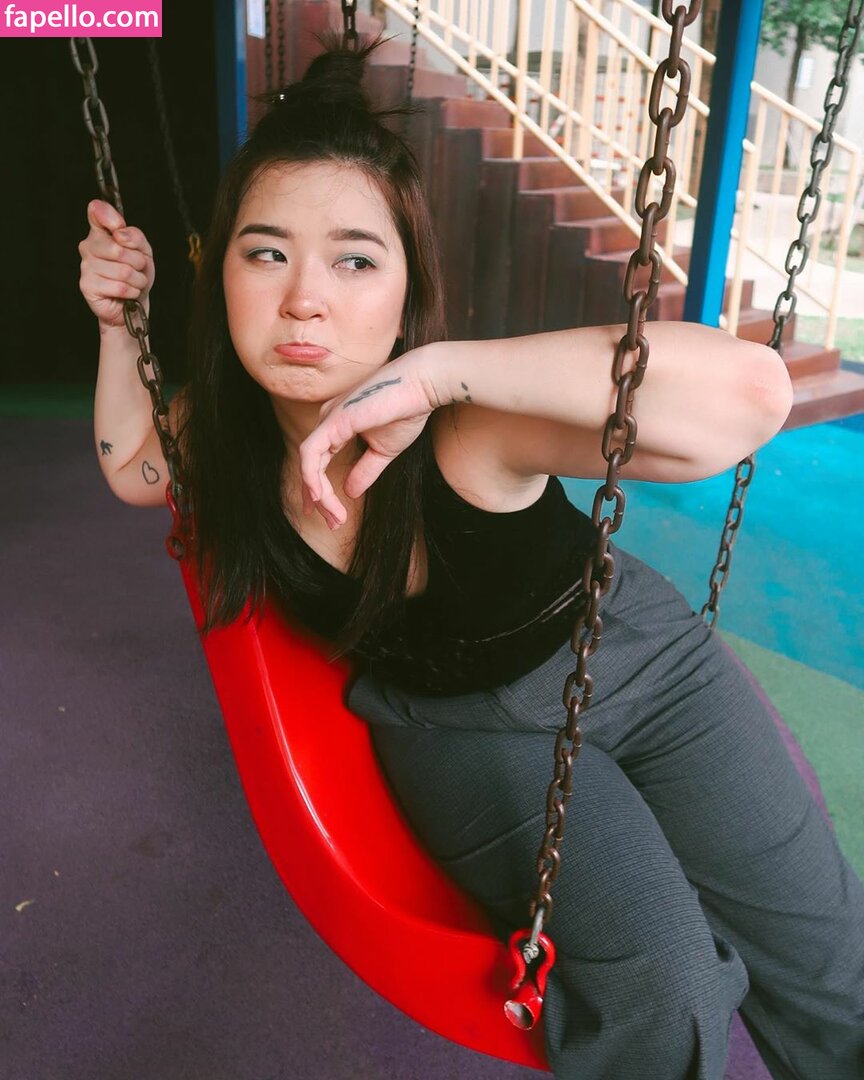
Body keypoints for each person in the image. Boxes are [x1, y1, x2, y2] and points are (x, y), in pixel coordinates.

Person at [78, 38, 864, 1080]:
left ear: (408, 292)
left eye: (356, 260)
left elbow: (754, 398)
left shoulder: (466, 426)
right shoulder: (220, 438)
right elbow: (131, 464)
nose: (304, 298)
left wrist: (446, 372)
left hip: (640, 661)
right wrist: (116, 324)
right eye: (265, 254)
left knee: (829, 963)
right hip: (456, 729)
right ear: (220, 270)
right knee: (663, 985)